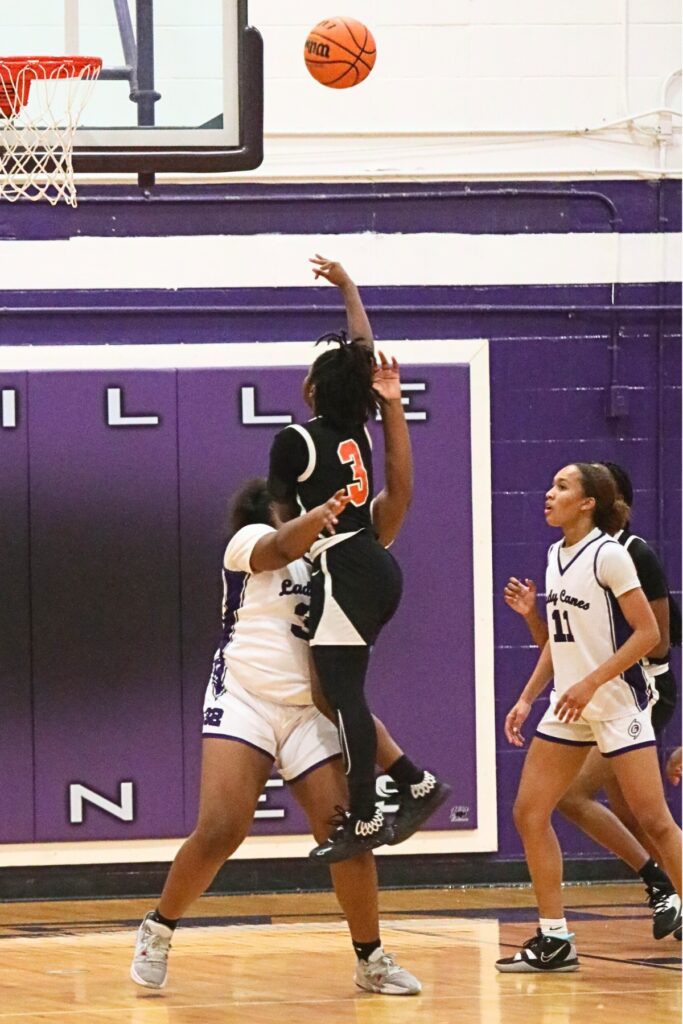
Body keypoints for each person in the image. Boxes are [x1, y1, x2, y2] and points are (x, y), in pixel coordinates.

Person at [130, 355, 426, 995]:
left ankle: (371, 958)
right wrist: (311, 518)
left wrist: (393, 408)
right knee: (221, 829)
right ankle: (158, 926)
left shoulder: (341, 542)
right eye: (289, 496)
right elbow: (280, 545)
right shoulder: (248, 546)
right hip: (245, 696)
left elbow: (398, 494)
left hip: (311, 709)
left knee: (345, 833)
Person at [268, 256, 449, 863]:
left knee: (343, 696)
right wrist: (349, 288)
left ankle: (367, 816)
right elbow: (362, 352)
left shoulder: (294, 439)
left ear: (313, 390)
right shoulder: (362, 430)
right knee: (332, 691)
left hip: (344, 566)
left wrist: (286, 549)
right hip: (368, 560)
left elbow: (278, 518)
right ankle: (415, 783)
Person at [496, 462, 682, 973]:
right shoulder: (556, 555)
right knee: (529, 812)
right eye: (551, 483)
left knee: (654, 821)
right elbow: (560, 643)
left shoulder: (612, 555)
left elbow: (648, 635)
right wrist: (527, 696)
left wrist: (592, 682)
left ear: (587, 503)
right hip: (569, 705)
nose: (548, 493)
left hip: (617, 700)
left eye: (561, 486)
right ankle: (555, 938)